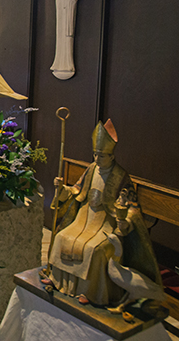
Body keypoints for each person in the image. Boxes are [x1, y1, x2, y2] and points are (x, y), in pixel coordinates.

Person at [43, 120, 161, 306]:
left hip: (105, 223)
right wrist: (61, 189)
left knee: (94, 250)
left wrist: (126, 221)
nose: (97, 159)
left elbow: (131, 206)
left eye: (102, 156)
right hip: (84, 218)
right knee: (62, 237)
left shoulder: (120, 176)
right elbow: (76, 190)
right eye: (95, 155)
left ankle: (89, 292)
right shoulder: (91, 169)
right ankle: (57, 280)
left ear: (112, 157)